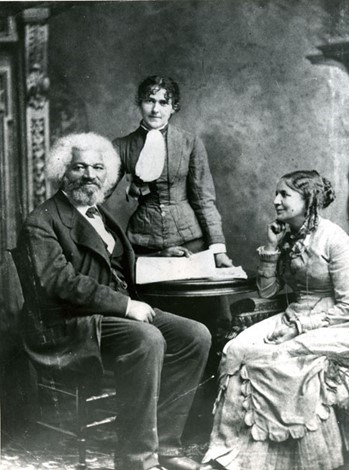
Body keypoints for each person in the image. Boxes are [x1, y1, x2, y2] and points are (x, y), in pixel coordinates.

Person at [15, 132, 211, 470]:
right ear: (63, 172)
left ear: (106, 174)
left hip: (107, 314)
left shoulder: (100, 214)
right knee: (146, 337)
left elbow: (114, 262)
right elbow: (59, 283)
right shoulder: (41, 221)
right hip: (67, 323)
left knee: (195, 335)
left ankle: (166, 445)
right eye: (79, 167)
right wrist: (124, 306)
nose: (89, 175)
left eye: (97, 167)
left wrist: (162, 255)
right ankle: (137, 459)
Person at [201, 170, 349, 470]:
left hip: (337, 323)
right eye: (276, 193)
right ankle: (229, 450)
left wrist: (298, 328)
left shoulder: (337, 241)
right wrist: (271, 247)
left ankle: (280, 459)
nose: (276, 200)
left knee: (280, 358)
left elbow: (348, 305)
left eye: (285, 195)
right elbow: (267, 290)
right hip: (294, 313)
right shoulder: (286, 235)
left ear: (309, 200)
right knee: (235, 350)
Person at [112, 75, 232, 267]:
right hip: (144, 244)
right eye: (149, 101)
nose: (155, 109)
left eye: (163, 103)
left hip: (191, 242)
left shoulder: (190, 143)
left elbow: (204, 200)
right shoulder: (122, 146)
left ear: (173, 107)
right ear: (140, 103)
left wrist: (218, 250)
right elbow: (97, 195)